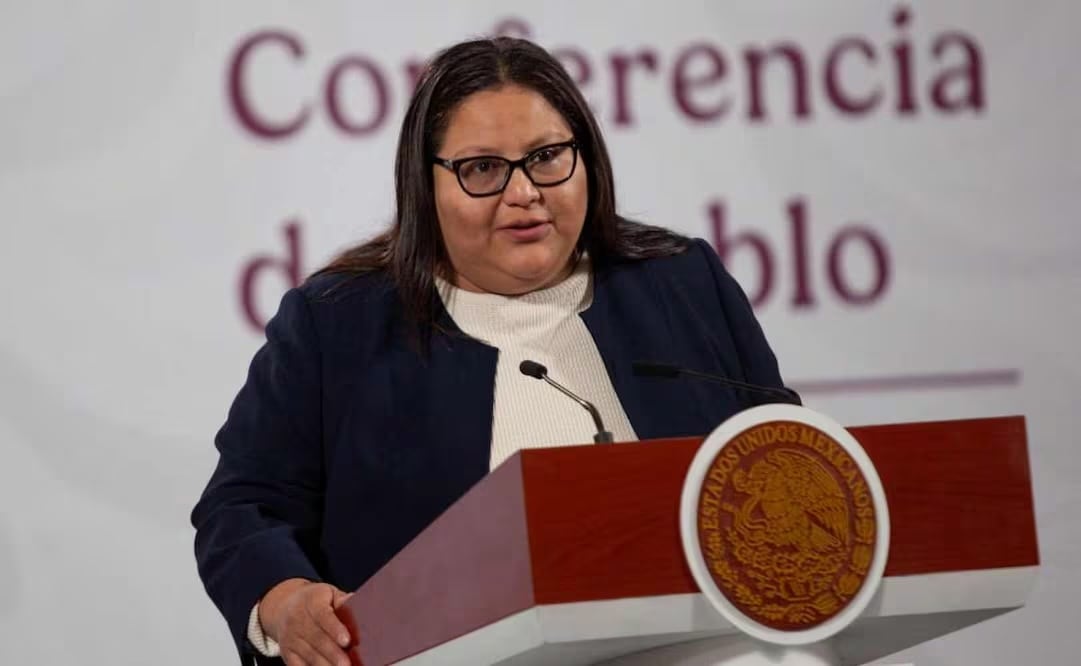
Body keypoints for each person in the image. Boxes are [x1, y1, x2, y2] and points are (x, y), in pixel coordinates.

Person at [191, 36, 789, 666]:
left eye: (547, 157)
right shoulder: (337, 325)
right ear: (426, 185)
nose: (524, 192)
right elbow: (240, 507)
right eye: (482, 170)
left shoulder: (683, 284)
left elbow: (788, 462)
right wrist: (286, 600)